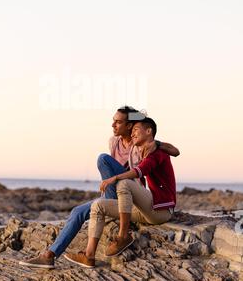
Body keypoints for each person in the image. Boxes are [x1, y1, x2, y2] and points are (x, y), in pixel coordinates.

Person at [19, 109, 179, 269]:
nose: (113, 125)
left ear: (130, 125)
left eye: (118, 122)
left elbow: (173, 151)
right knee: (77, 212)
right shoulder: (114, 142)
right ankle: (50, 255)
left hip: (132, 195)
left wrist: (156, 143)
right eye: (113, 120)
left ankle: (116, 219)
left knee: (103, 159)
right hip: (115, 193)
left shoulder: (142, 144)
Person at [64, 117, 176, 268]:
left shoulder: (158, 152)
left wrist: (114, 178)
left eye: (136, 130)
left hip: (161, 211)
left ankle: (123, 236)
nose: (133, 134)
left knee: (124, 183)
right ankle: (89, 255)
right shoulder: (142, 151)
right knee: (98, 206)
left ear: (149, 131)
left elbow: (139, 172)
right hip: (145, 209)